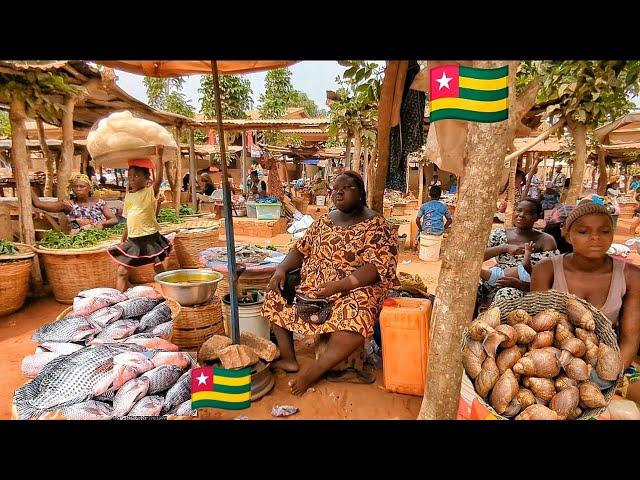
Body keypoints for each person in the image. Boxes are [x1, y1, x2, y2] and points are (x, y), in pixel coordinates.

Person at [262, 171, 400, 395]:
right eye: (335, 188)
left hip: (353, 289)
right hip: (313, 289)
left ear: (361, 193)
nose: (339, 191)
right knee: (273, 294)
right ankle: (289, 358)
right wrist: (281, 269)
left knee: (359, 315)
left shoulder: (376, 224)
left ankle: (314, 371)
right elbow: (300, 249)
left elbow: (377, 267)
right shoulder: (324, 221)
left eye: (347, 188)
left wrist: (339, 285)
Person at [531, 201, 640, 403]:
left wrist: (608, 377)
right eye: (583, 231)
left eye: (604, 231)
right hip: (554, 359)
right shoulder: (546, 270)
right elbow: (538, 327)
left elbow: (630, 339)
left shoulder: (631, 276)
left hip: (605, 360)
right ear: (567, 234)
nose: (595, 238)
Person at [477, 198, 558, 312]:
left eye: (528, 213)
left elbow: (549, 279)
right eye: (518, 210)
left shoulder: (546, 241)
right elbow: (476, 259)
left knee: (506, 295)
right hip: (496, 280)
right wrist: (503, 248)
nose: (521, 215)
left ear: (537, 217)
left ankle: (497, 326)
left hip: (526, 289)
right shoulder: (499, 234)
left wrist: (519, 284)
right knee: (471, 285)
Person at [107, 158, 171, 292]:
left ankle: (170, 292)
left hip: (150, 238)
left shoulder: (149, 192)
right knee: (122, 272)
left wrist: (159, 155)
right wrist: (124, 237)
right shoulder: (129, 196)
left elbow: (158, 179)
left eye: (136, 176)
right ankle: (119, 301)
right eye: (130, 176)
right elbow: (128, 218)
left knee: (158, 268)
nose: (132, 179)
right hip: (134, 240)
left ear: (146, 178)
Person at [31, 173, 118, 234]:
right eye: (75, 187)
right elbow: (38, 204)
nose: (78, 189)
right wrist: (28, 186)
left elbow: (114, 220)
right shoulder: (68, 205)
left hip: (99, 239)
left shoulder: (99, 202)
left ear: (89, 188)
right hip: (77, 240)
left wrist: (102, 223)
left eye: (82, 186)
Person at [412, 185, 452, 249]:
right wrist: (443, 229)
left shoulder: (424, 206)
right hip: (438, 232)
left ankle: (415, 244)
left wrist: (421, 229)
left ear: (429, 195)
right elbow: (449, 220)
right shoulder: (444, 206)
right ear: (440, 195)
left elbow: (417, 220)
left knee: (420, 228)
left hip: (426, 230)